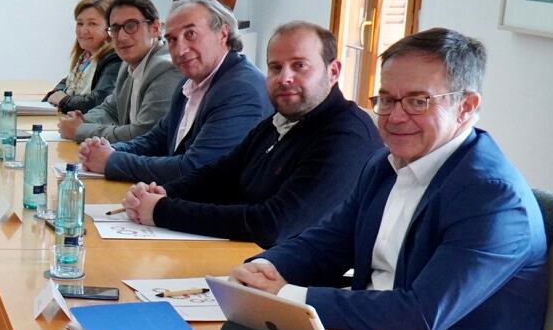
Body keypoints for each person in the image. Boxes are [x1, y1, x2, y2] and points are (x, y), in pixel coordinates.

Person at [231, 28, 553, 330]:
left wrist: (288, 294)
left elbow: (421, 314)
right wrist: (266, 267)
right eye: (385, 98)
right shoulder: (385, 164)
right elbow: (329, 240)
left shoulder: (490, 196)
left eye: (418, 101)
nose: (394, 116)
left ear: (466, 105)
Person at [121, 21, 382, 247]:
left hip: (297, 285)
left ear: (333, 71)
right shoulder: (280, 120)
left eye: (300, 66)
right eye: (275, 68)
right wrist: (163, 192)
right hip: (246, 260)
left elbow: (272, 224)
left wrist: (162, 210)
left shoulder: (346, 137)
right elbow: (220, 175)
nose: (285, 78)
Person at [81, 0, 269, 181]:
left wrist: (111, 160)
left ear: (223, 33)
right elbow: (156, 140)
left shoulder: (241, 90)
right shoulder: (190, 82)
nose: (180, 50)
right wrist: (107, 149)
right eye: (172, 39)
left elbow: (194, 169)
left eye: (191, 34)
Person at [63, 0, 178, 143]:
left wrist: (80, 130)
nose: (122, 36)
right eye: (115, 28)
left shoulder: (166, 68)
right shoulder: (128, 64)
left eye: (131, 26)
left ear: (155, 28)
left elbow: (143, 134)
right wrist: (81, 119)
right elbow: (110, 109)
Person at [43, 0, 122, 117]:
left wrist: (62, 100)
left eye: (92, 24)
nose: (83, 30)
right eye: (80, 23)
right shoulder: (86, 57)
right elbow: (66, 83)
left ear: (110, 28)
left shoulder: (115, 59)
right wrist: (56, 94)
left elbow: (97, 102)